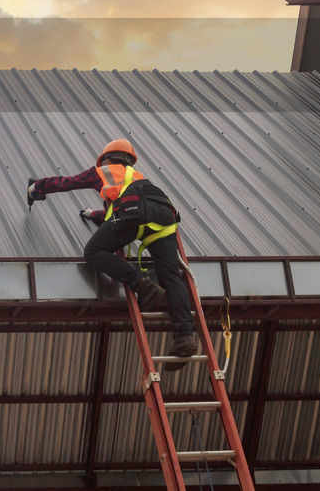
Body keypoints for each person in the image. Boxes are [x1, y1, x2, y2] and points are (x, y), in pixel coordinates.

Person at [28, 138, 198, 364]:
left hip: (135, 213)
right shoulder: (138, 177)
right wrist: (92, 215)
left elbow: (67, 182)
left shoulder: (102, 171)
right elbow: (117, 214)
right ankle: (185, 337)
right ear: (130, 161)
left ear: (106, 159)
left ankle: (142, 284)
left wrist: (36, 188)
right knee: (171, 276)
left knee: (93, 251)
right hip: (164, 216)